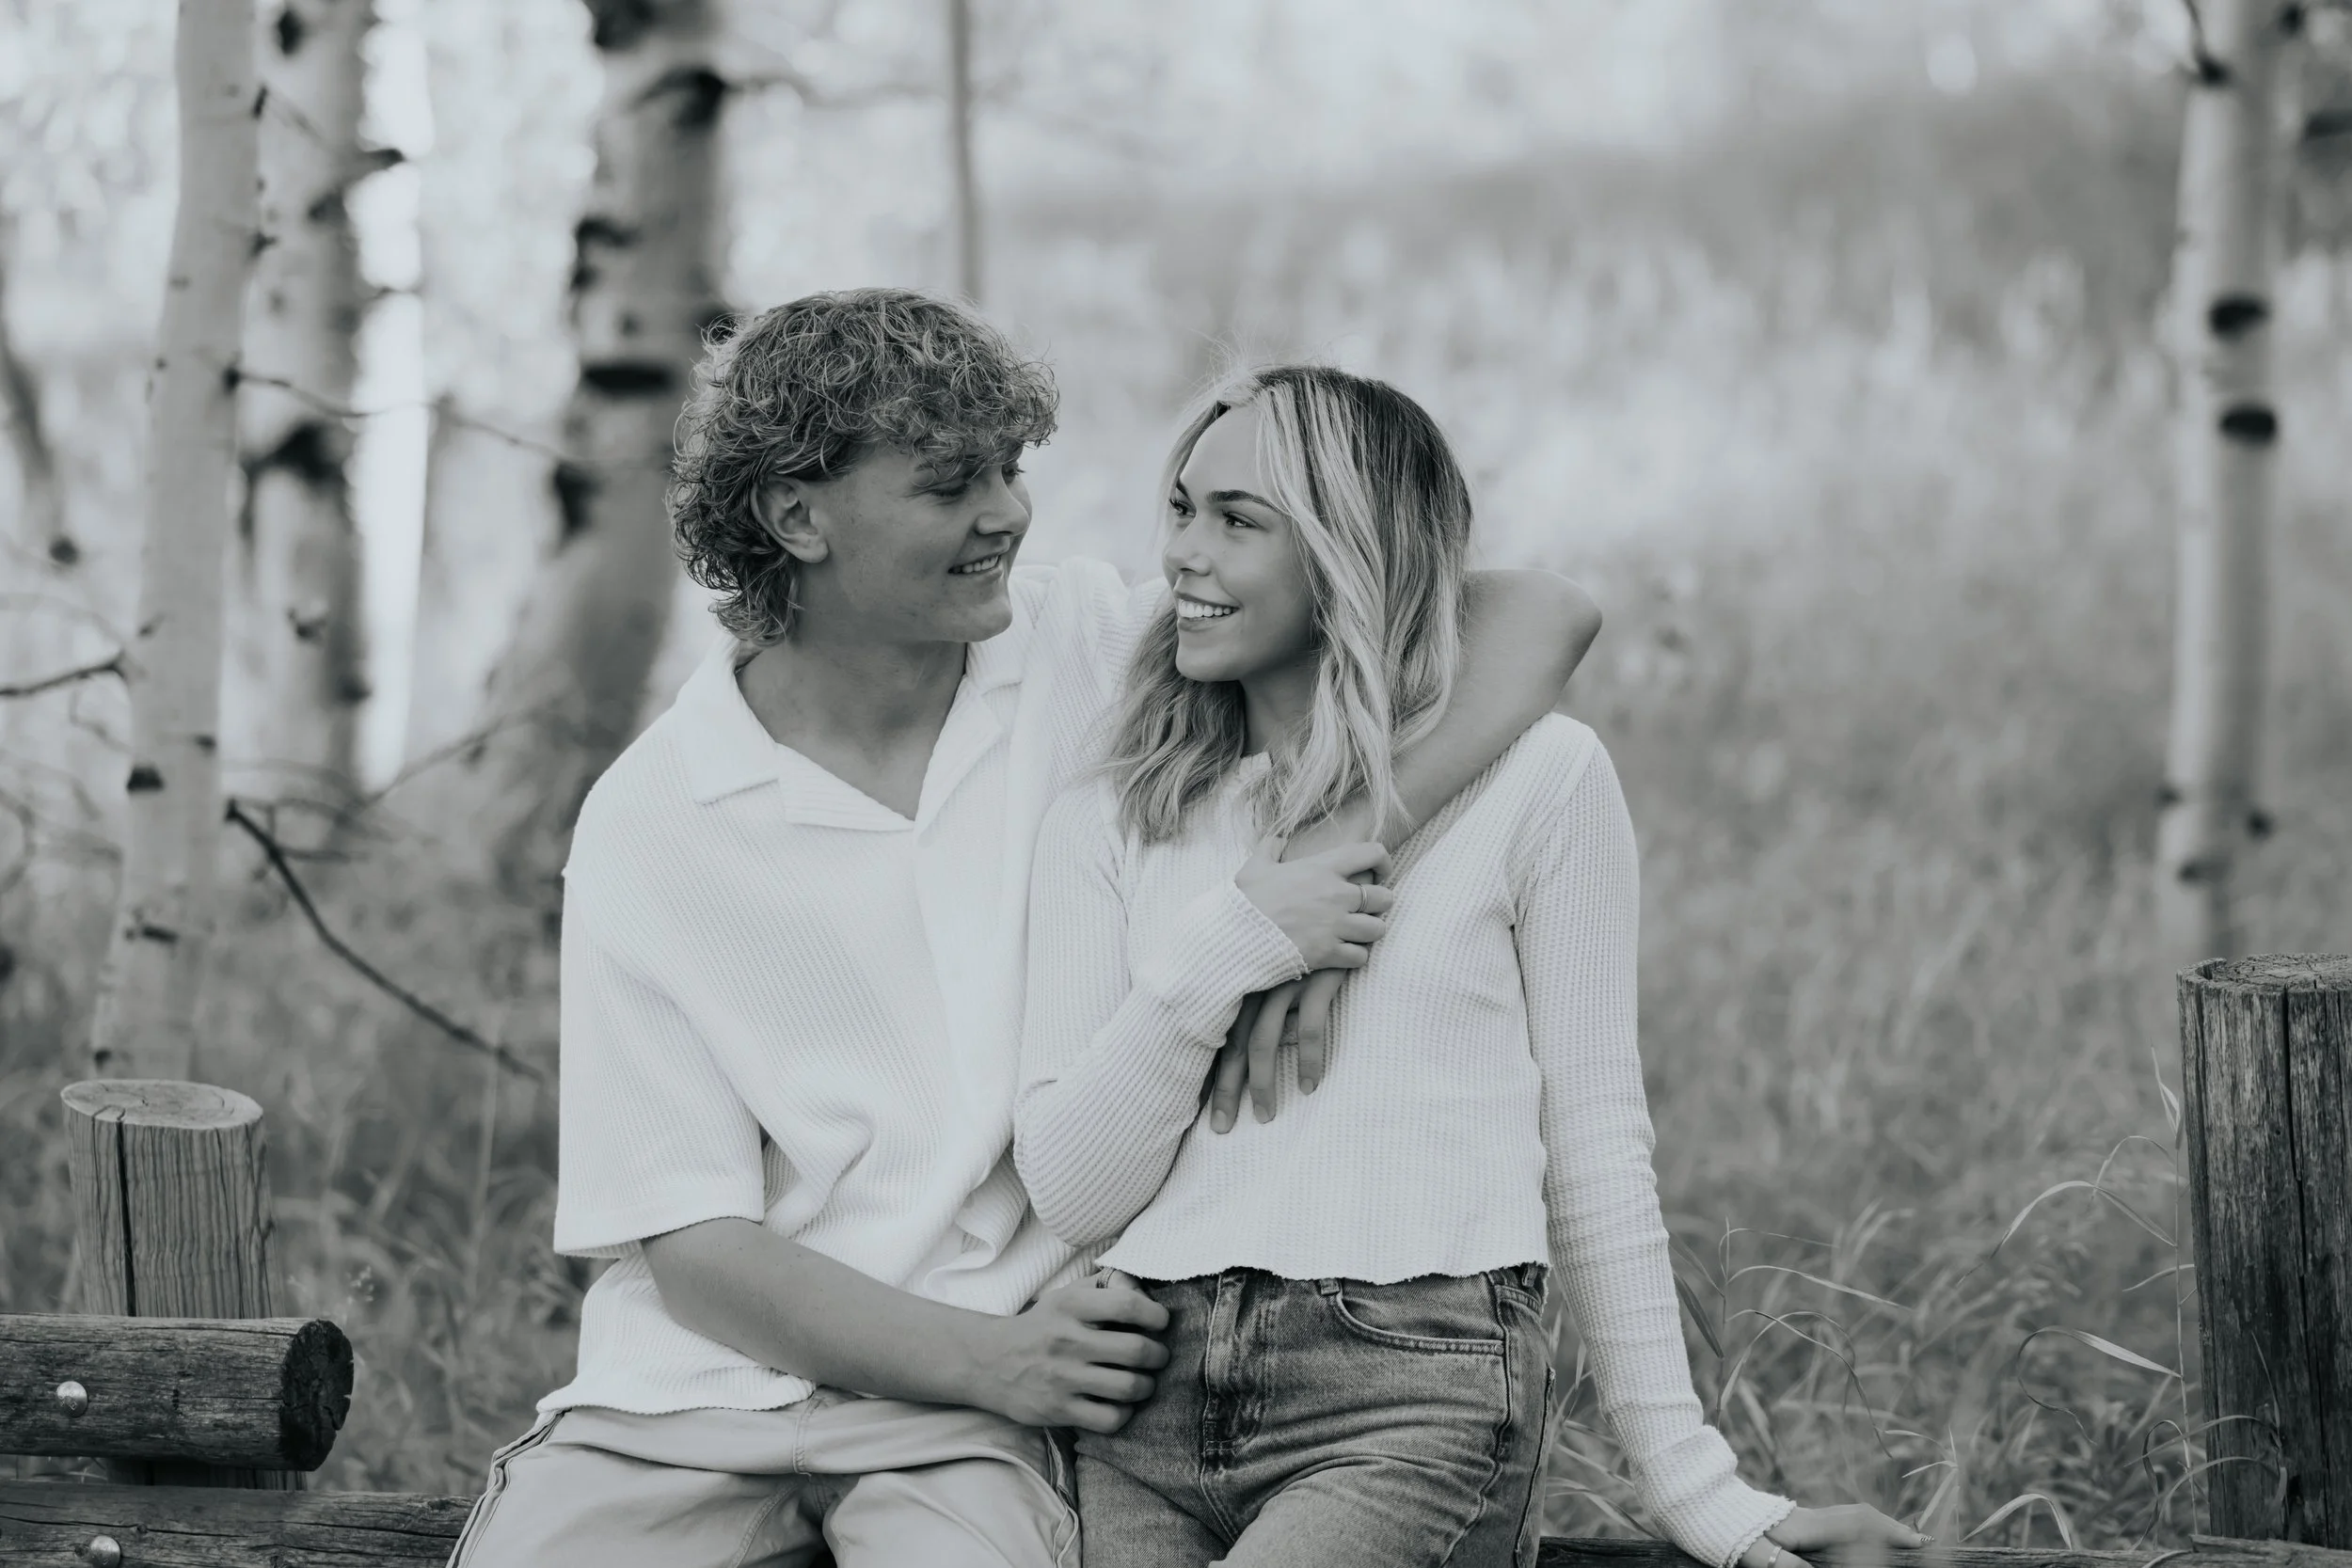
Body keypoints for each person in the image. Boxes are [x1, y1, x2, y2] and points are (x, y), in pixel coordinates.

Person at [446, 292, 1602, 1568]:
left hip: (969, 1432)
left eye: (1010, 468)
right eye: (952, 485)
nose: (1007, 512)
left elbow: (1535, 611)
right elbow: (695, 1248)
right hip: (689, 1401)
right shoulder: (653, 817)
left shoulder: (1093, 649)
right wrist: (995, 1358)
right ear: (797, 517)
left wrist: (1331, 847)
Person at [1014, 365, 1931, 1568]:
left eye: (1238, 520)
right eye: (1182, 508)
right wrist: (1226, 952)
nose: (1183, 551)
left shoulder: (1539, 778)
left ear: (1350, 551)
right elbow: (1074, 1189)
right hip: (1141, 1395)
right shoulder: (1120, 805)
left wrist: (1695, 1488)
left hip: (1404, 1389)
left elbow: (1596, 1137)